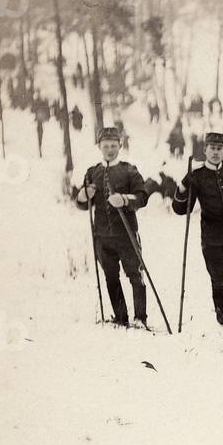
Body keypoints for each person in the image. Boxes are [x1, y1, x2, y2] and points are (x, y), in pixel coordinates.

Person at [172, 131, 223, 327]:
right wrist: (182, 189)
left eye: (220, 148)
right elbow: (180, 209)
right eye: (212, 148)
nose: (216, 152)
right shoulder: (196, 176)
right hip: (212, 236)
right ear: (205, 150)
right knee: (218, 278)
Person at [75, 127, 149, 327]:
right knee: (110, 276)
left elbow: (142, 197)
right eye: (105, 146)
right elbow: (83, 204)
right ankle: (121, 316)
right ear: (99, 146)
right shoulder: (92, 172)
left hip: (126, 235)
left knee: (135, 274)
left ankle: (140, 318)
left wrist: (125, 199)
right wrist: (83, 197)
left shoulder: (129, 170)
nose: (109, 150)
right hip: (102, 235)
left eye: (113, 146)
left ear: (120, 146)